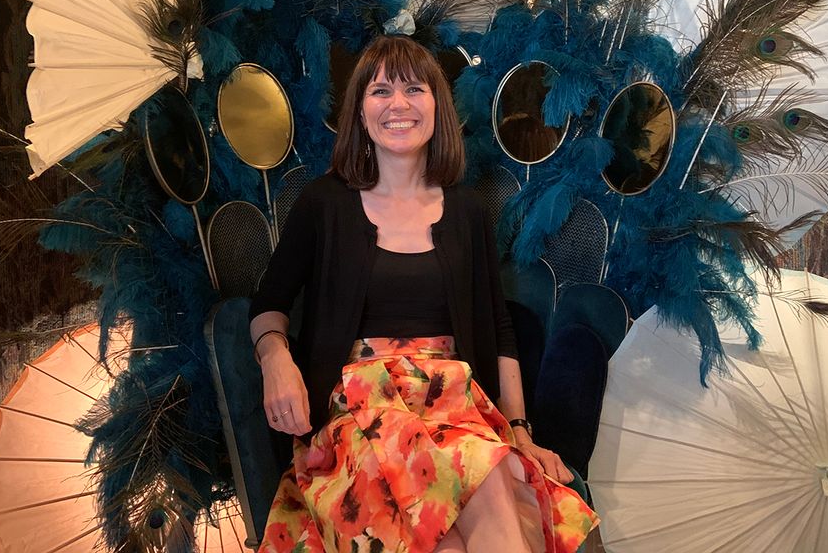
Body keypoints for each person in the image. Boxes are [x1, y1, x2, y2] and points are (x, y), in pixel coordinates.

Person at [249, 35, 598, 552]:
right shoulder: (324, 203)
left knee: (490, 471)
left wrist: (519, 429)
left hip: (455, 400)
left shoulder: (467, 211)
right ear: (360, 111)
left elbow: (499, 326)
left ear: (437, 106)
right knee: (446, 527)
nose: (399, 104)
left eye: (414, 89)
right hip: (361, 407)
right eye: (380, 91)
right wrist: (276, 359)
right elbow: (268, 304)